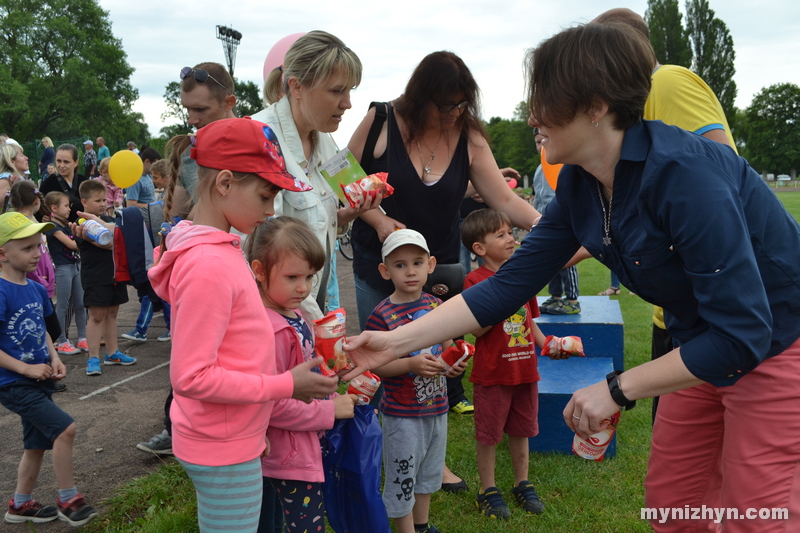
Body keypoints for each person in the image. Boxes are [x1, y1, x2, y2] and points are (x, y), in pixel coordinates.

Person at [343, 23, 800, 533]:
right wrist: (390, 342)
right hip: (699, 347)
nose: (532, 116)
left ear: (596, 105)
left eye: (543, 100)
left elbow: (744, 334)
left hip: (777, 345)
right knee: (673, 503)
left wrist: (619, 387)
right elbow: (504, 286)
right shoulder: (583, 185)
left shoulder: (685, 176)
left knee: (756, 513)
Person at [148, 117, 338, 533]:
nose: (271, 210)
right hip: (220, 446)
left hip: (230, 436)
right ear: (225, 183)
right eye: (266, 196)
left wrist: (252, 430)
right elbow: (192, 376)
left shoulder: (219, 249)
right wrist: (286, 385)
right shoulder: (208, 265)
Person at [347, 51, 541, 421]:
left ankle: (429, 447)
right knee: (379, 358)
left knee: (432, 361)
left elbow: (502, 198)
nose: (453, 113)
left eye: (462, 104)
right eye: (444, 105)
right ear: (420, 97)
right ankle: (370, 439)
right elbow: (340, 175)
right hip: (380, 262)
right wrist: (378, 221)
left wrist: (549, 229)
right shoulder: (382, 119)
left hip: (438, 267)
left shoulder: (469, 135)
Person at [594, 7, 737, 422]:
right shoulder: (631, 111)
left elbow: (721, 166)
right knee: (675, 454)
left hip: (715, 310)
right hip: (676, 311)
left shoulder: (667, 80)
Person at [136, 60, 238, 457]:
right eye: (188, 110)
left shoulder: (255, 141)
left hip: (246, 265)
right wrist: (176, 229)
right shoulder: (195, 150)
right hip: (205, 266)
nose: (193, 119)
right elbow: (182, 207)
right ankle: (178, 427)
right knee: (193, 354)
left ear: (228, 101)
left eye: (202, 110)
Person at [252, 30, 378, 321]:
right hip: (273, 316)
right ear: (296, 87)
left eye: (350, 91)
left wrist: (350, 215)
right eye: (337, 91)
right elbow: (259, 250)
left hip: (306, 303)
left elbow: (336, 204)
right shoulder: (259, 140)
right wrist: (318, 324)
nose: (347, 103)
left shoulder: (326, 141)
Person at [243, 216, 358, 533]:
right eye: (293, 276)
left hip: (298, 447)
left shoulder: (293, 313)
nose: (304, 287)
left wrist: (331, 383)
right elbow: (272, 402)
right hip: (288, 457)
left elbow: (305, 375)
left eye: (310, 276)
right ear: (259, 271)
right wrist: (328, 410)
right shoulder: (270, 331)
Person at [460, 208, 560, 519]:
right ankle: (487, 489)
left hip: (525, 369)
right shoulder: (475, 280)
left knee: (522, 429)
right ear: (479, 248)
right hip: (493, 374)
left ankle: (522, 483)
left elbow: (530, 320)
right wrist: (499, 300)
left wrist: (548, 345)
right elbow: (476, 328)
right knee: (489, 433)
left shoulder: (521, 274)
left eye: (510, 232)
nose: (511, 239)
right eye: (501, 235)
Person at [0, 211, 97, 527]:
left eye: (37, 247)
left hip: (39, 378)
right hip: (13, 382)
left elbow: (42, 330)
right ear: (2, 253)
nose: (36, 254)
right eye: (27, 248)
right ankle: (69, 498)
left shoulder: (36, 289)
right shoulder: (1, 290)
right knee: (64, 429)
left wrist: (54, 357)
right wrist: (25, 370)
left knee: (37, 444)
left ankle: (20, 504)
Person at [366, 229, 466, 533]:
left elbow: (448, 343)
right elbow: (376, 366)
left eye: (417, 262)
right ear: (385, 271)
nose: (410, 271)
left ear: (431, 265)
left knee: (427, 475)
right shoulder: (382, 315)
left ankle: (421, 526)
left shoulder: (436, 306)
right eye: (400, 265)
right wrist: (409, 363)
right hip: (402, 414)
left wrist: (455, 361)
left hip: (436, 409)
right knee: (403, 476)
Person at [73, 179, 134, 376]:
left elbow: (116, 241)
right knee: (97, 315)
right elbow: (107, 243)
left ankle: (112, 353)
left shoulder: (109, 219)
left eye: (104, 199)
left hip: (114, 272)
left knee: (113, 313)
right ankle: (93, 357)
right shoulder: (83, 224)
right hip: (95, 276)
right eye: (97, 200)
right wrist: (118, 240)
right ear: (84, 201)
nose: (102, 203)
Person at [531, 128, 580, 315]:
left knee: (568, 261)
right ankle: (556, 296)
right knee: (551, 263)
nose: (541, 145)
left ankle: (573, 299)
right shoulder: (538, 170)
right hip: (545, 224)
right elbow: (538, 198)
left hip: (564, 223)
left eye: (545, 139)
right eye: (537, 142)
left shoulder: (563, 166)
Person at [44, 191, 87, 356]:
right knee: (62, 305)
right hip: (63, 269)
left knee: (80, 304)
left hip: (75, 266)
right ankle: (62, 341)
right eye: (66, 206)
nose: (69, 209)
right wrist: (85, 236)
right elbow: (73, 245)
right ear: (54, 208)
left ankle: (83, 338)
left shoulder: (65, 224)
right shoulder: (53, 227)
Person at [39, 144, 89, 222]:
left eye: (66, 162)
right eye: (58, 161)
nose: (61, 165)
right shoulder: (49, 182)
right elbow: (40, 207)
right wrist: (44, 218)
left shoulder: (84, 181)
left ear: (76, 162)